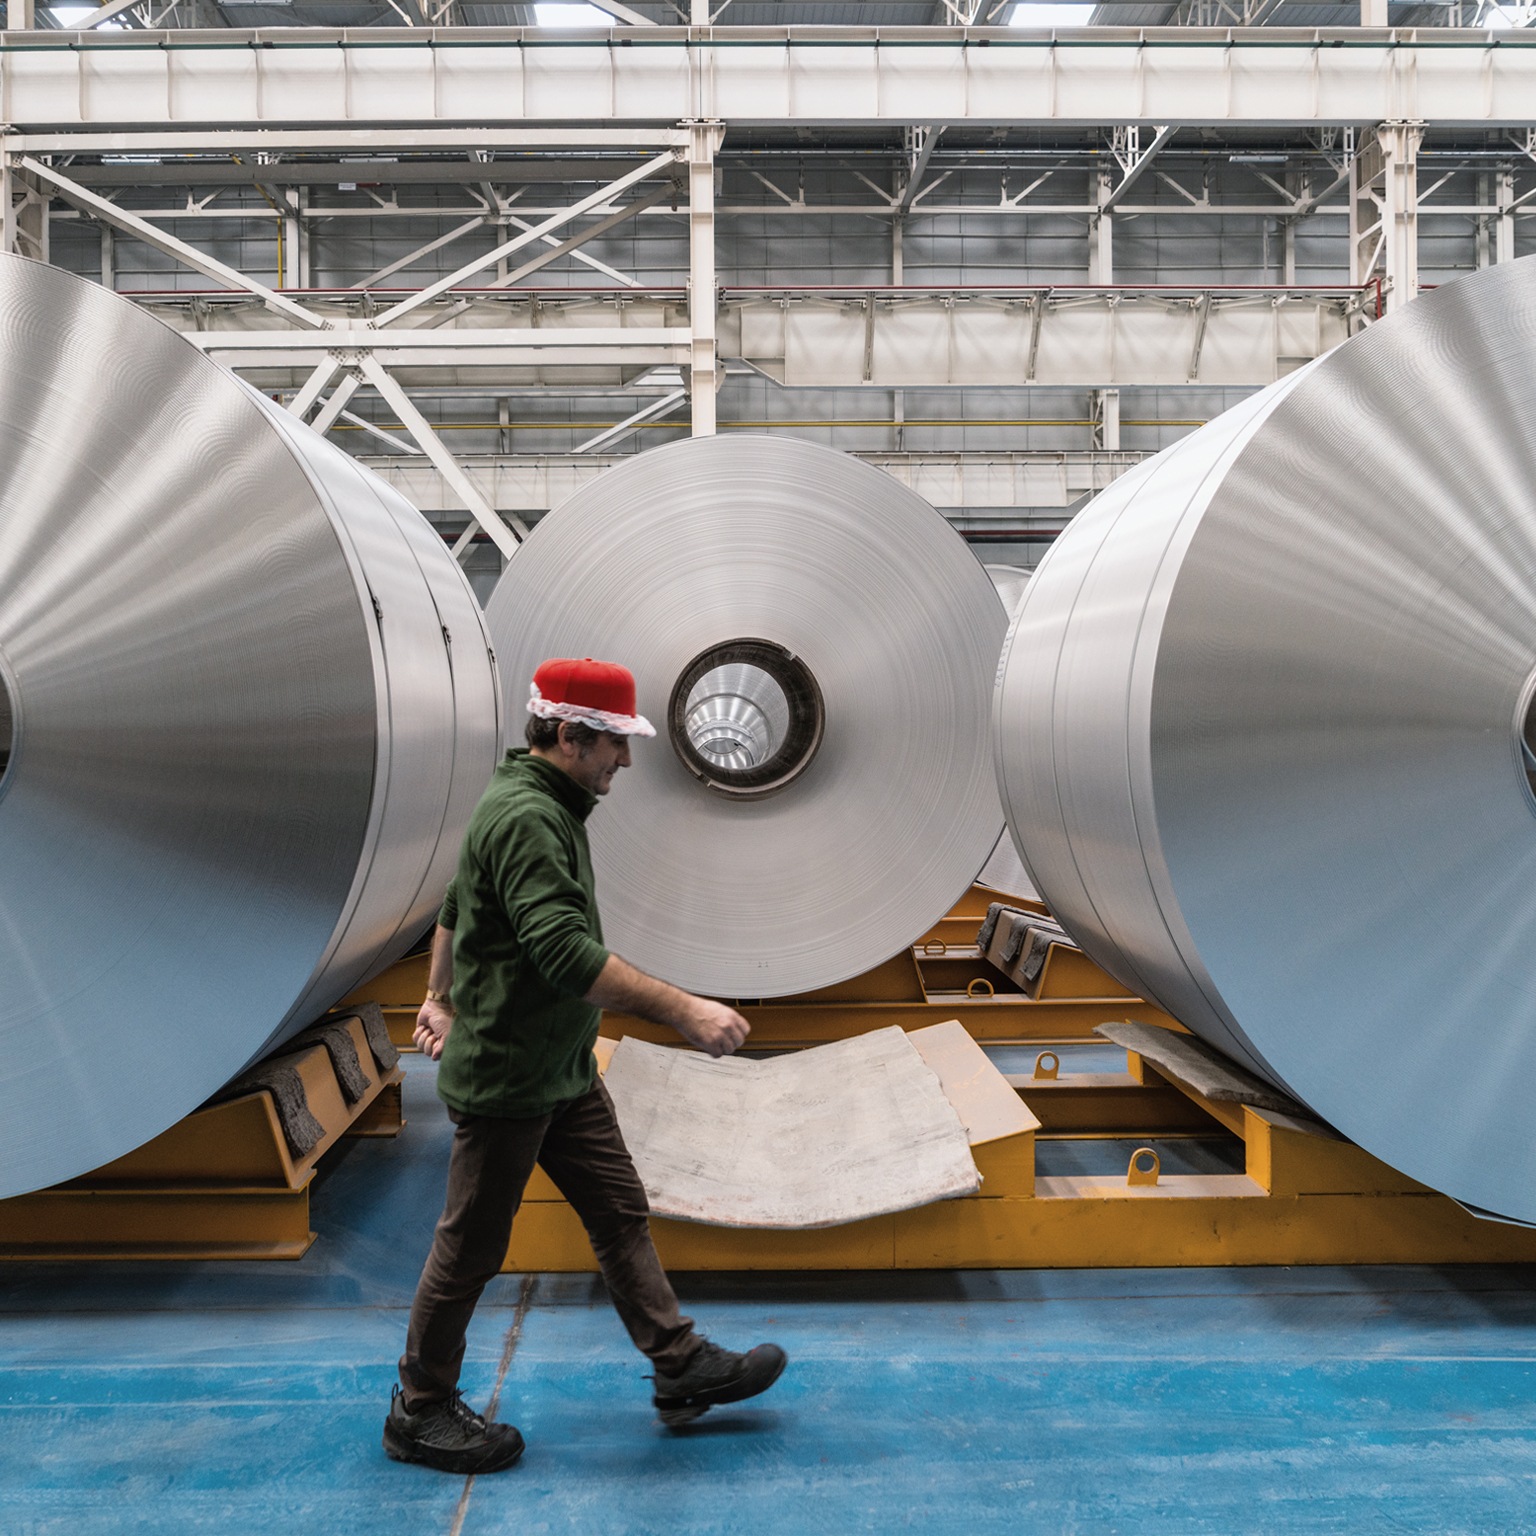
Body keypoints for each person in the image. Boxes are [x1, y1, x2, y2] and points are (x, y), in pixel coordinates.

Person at [384, 656, 787, 1475]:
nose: (626, 762)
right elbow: (565, 954)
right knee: (469, 1249)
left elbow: (458, 907)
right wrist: (686, 1009)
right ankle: (419, 1410)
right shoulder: (527, 819)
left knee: (618, 1209)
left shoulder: (538, 803)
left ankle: (678, 1365)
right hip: (510, 1078)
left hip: (559, 1064)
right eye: (613, 746)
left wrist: (438, 998)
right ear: (568, 735)